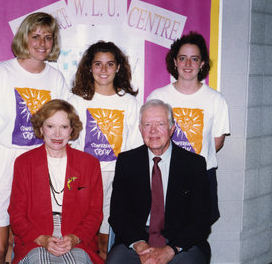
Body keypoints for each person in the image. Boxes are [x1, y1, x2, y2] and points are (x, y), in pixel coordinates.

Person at [0, 12, 70, 264]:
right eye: (35, 36)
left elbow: (63, 129)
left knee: (20, 244)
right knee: (0, 248)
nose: (42, 43)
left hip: (34, 168)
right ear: (24, 37)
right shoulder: (1, 72)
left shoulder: (56, 78)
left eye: (48, 37)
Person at [106, 99, 211, 264]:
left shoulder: (193, 164)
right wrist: (139, 245)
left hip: (180, 244)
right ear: (140, 129)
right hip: (137, 241)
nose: (153, 131)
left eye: (160, 124)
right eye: (147, 124)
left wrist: (171, 250)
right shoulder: (127, 162)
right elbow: (118, 215)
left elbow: (201, 219)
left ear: (172, 128)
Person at [69, 41, 143, 259]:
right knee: (79, 236)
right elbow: (69, 141)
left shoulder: (129, 103)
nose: (103, 70)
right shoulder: (76, 101)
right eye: (98, 64)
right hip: (83, 177)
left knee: (104, 240)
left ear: (118, 67)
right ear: (89, 67)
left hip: (116, 178)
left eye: (109, 64)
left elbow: (135, 145)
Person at [147, 32, 230, 224]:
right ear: (175, 62)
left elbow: (216, 142)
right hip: (165, 173)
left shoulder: (216, 99)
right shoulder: (158, 96)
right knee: (162, 229)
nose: (188, 64)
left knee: (196, 231)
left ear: (202, 64)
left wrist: (190, 162)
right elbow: (150, 136)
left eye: (194, 59)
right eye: (183, 58)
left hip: (200, 175)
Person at [8, 99, 104, 264]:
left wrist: (75, 238)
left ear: (71, 130)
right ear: (41, 129)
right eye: (50, 126)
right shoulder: (24, 163)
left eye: (64, 127)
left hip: (77, 236)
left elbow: (94, 214)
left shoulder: (89, 164)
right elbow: (17, 215)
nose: (57, 134)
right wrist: (40, 239)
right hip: (35, 236)